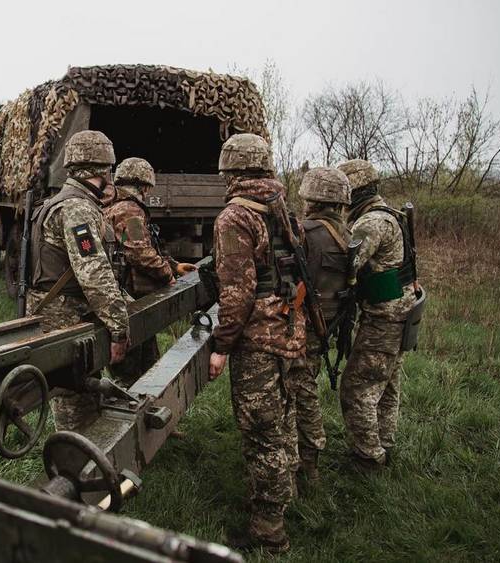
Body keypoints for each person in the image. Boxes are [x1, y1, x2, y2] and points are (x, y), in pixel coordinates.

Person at [207, 133, 305, 554]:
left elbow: (236, 293)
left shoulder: (235, 217)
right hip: (289, 327)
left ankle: (269, 531)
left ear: (230, 170)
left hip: (259, 339)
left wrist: (221, 346)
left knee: (261, 431)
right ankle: (288, 492)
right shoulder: (282, 206)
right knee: (284, 417)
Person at [26, 130, 130, 432]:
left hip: (63, 314)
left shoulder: (63, 201)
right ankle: (74, 466)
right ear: (102, 169)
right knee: (75, 405)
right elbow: (94, 273)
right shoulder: (77, 209)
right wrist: (119, 328)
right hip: (66, 318)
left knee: (82, 394)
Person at [336, 159, 418, 471]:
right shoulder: (391, 214)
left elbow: (347, 264)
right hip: (400, 312)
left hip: (384, 318)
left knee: (357, 388)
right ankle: (383, 445)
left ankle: (367, 457)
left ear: (353, 191)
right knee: (386, 386)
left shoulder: (370, 223)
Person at [103, 157, 195, 381]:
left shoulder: (116, 207)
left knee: (147, 362)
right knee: (134, 370)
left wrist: (174, 265)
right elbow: (139, 253)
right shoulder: (129, 210)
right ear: (143, 186)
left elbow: (142, 247)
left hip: (131, 298)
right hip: (131, 299)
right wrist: (167, 275)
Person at [287, 167, 352, 485]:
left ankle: (308, 460)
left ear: (311, 198)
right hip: (329, 322)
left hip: (304, 324)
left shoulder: (306, 231)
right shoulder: (348, 234)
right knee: (304, 383)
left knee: (301, 388)